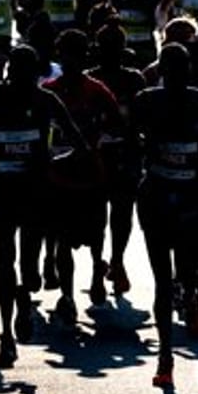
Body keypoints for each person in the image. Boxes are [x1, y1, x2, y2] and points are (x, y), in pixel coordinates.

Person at [0, 45, 84, 367]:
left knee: (15, 261)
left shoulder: (1, 97)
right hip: (25, 190)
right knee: (14, 257)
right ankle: (8, 331)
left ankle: (19, 308)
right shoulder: (38, 99)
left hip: (21, 190)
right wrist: (52, 160)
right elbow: (78, 144)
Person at [132, 43, 198, 388]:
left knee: (187, 264)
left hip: (192, 196)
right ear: (162, 73)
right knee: (161, 279)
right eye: (169, 73)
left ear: (188, 73)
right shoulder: (147, 101)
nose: (173, 79)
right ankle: (165, 356)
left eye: (179, 72)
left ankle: (190, 293)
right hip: (158, 195)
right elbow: (129, 142)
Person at [43, 29, 122, 321]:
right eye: (65, 55)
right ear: (59, 57)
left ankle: (97, 275)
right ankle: (67, 295)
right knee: (63, 240)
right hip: (59, 177)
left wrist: (100, 138)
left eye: (76, 55)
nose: (70, 61)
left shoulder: (98, 91)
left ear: (85, 57)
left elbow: (118, 125)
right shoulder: (49, 90)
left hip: (92, 176)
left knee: (96, 235)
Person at [86, 23, 146, 296]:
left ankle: (115, 261)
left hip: (125, 156)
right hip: (100, 158)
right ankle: (103, 264)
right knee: (105, 215)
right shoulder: (89, 80)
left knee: (117, 214)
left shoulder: (134, 80)